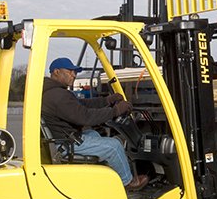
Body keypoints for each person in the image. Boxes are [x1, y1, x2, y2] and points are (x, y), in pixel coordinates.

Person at [41, 57, 149, 191]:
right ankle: (128, 182)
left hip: (64, 138)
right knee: (114, 146)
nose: (74, 75)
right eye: (70, 71)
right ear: (56, 72)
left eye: (74, 72)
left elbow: (82, 105)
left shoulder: (56, 92)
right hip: (65, 144)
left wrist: (107, 100)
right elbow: (85, 117)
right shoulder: (58, 96)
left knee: (94, 134)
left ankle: (107, 175)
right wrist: (115, 111)